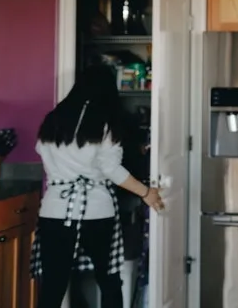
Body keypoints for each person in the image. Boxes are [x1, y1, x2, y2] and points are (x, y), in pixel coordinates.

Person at [30, 63, 165, 308]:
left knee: (53, 284)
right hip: (96, 210)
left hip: (55, 209)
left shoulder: (52, 120)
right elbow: (111, 169)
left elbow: (41, 151)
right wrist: (146, 193)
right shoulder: (105, 123)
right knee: (109, 281)